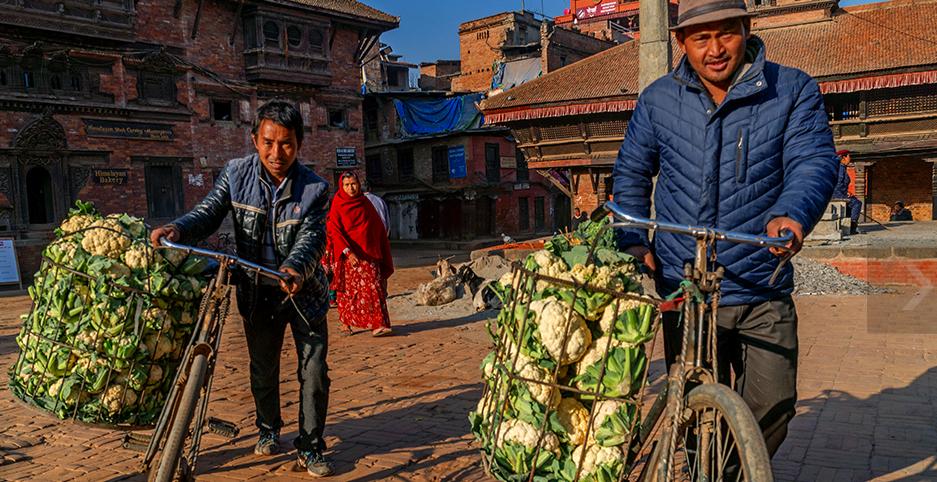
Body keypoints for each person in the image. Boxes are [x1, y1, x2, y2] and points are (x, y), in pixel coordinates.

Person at [612, 0, 837, 458]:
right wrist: (632, 240)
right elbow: (631, 172)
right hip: (685, 285)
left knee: (773, 406)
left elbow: (811, 161)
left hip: (761, 278)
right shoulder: (657, 100)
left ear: (746, 29)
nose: (715, 49)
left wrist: (792, 213)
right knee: (694, 411)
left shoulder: (791, 90)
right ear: (681, 42)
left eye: (726, 33)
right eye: (700, 38)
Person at [150, 100, 334, 477]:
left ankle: (311, 447)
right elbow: (209, 211)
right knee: (262, 369)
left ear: (299, 144)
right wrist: (178, 229)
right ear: (254, 139)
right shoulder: (235, 174)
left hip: (303, 293)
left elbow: (312, 239)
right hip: (256, 290)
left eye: (286, 144)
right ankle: (268, 429)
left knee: (313, 371)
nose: (276, 152)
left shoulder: (315, 188)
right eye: (268, 142)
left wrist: (295, 268)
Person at [326, 171, 394, 337]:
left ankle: (378, 324)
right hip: (347, 256)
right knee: (348, 292)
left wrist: (379, 248)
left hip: (369, 254)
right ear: (341, 187)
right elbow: (334, 229)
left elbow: (377, 226)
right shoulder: (338, 203)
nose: (351, 188)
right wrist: (348, 252)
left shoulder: (365, 203)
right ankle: (345, 323)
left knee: (374, 287)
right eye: (347, 185)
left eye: (354, 184)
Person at [834, 150, 862, 234]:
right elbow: (838, 184)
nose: (850, 159)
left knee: (853, 201)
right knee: (857, 203)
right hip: (836, 194)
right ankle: (853, 227)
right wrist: (844, 193)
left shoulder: (842, 168)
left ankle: (849, 226)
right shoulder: (840, 168)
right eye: (849, 156)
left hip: (840, 193)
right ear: (843, 158)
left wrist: (847, 192)